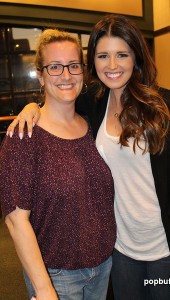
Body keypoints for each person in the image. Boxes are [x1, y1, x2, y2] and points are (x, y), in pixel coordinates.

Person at [6, 15, 170, 300]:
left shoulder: (162, 104)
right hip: (120, 252)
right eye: (102, 56)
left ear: (136, 57)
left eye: (122, 54)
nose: (112, 65)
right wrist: (31, 107)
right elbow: (56, 97)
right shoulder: (94, 103)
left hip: (164, 249)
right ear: (93, 63)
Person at [0, 29, 116, 300]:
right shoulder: (24, 137)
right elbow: (17, 221)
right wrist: (44, 289)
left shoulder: (94, 125)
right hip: (56, 276)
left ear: (83, 72)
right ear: (40, 75)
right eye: (54, 67)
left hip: (104, 266)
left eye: (73, 66)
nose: (65, 75)